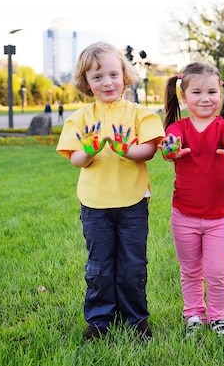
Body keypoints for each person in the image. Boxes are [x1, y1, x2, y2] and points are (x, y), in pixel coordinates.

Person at [56, 41, 165, 341]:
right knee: (100, 265)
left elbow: (150, 150)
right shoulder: (79, 119)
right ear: (86, 83)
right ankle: (99, 320)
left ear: (124, 75)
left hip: (132, 201)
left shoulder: (140, 114)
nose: (107, 82)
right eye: (97, 77)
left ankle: (135, 318)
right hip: (94, 203)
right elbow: (76, 159)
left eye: (113, 74)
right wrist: (89, 150)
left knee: (132, 264)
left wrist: (127, 150)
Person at [158, 62, 224, 338]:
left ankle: (219, 317)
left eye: (211, 91)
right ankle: (194, 314)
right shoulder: (179, 127)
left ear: (221, 92)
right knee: (191, 269)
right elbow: (170, 144)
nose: (205, 98)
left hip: (220, 216)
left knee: (217, 270)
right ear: (184, 96)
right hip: (184, 214)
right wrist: (170, 149)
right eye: (197, 92)